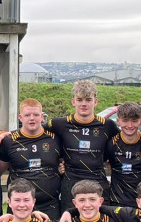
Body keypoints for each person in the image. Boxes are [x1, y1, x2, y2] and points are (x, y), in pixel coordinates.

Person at [47, 80, 120, 209]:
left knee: (100, 219)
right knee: (70, 220)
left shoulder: (107, 125)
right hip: (70, 183)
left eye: (88, 100)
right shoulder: (60, 124)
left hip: (98, 182)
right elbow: (32, 130)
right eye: (79, 100)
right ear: (73, 101)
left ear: (95, 102)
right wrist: (7, 134)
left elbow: (125, 141)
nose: (84, 104)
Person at [0, 98, 63, 221]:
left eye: (36, 115)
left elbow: (65, 162)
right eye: (27, 115)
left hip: (49, 205)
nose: (32, 118)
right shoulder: (9, 141)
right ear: (20, 117)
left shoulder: (55, 139)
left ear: (42, 117)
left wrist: (63, 168)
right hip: (19, 205)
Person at [105, 102, 141, 208]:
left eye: (134, 121)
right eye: (125, 120)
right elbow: (98, 162)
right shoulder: (111, 144)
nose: (129, 125)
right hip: (116, 201)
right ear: (118, 121)